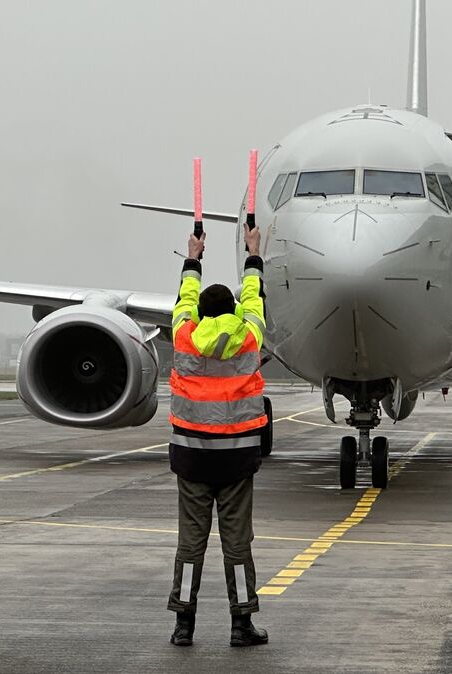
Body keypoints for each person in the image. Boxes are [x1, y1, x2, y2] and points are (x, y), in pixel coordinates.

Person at [166, 224, 269, 648]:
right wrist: (252, 254)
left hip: (192, 459)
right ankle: (241, 624)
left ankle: (183, 625)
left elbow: (184, 300)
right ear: (233, 311)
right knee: (237, 544)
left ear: (201, 315)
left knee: (190, 545)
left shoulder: (184, 336)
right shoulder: (247, 336)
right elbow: (255, 298)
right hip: (236, 460)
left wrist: (194, 258)